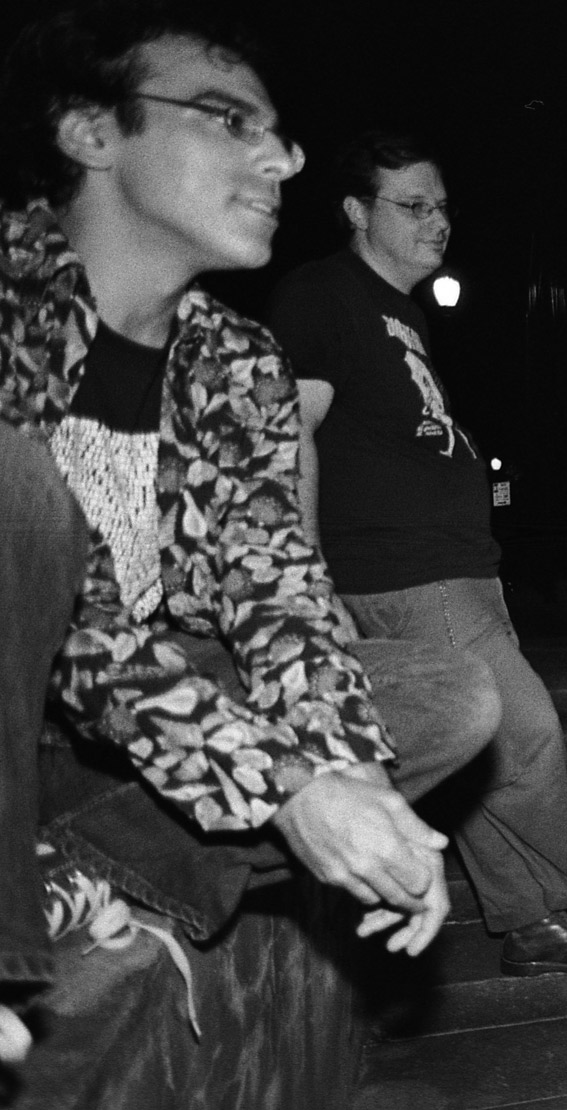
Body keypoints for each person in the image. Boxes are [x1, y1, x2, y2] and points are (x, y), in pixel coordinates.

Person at [0, 0, 504, 1074]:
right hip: (29, 685)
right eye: (229, 120)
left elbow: (277, 593)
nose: (280, 159)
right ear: (92, 130)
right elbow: (74, 621)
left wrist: (360, 791)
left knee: (451, 696)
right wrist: (287, 789)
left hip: (126, 725)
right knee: (19, 501)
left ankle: (78, 859)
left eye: (278, 132)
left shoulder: (237, 359)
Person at [266, 131, 567, 981]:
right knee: (528, 733)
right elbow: (289, 432)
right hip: (409, 573)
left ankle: (528, 920)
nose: (437, 221)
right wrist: (305, 577)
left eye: (442, 205)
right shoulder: (323, 295)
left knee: (484, 749)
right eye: (413, 206)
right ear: (356, 212)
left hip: (458, 569)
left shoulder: (401, 312)